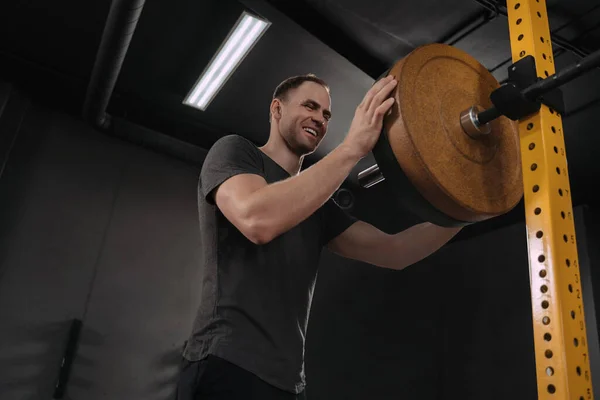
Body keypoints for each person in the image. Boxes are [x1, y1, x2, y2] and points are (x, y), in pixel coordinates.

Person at [177, 73, 462, 399]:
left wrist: (467, 209)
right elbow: (257, 219)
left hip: (287, 383)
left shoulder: (317, 205)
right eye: (310, 106)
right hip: (227, 364)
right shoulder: (235, 152)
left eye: (326, 114)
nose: (319, 118)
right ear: (277, 109)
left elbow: (395, 250)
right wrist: (352, 148)